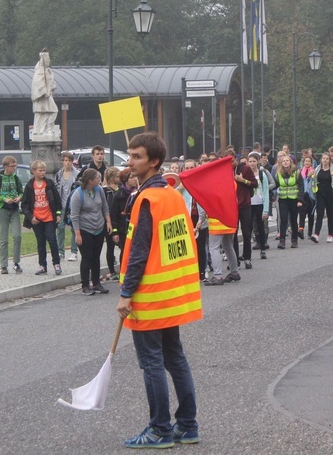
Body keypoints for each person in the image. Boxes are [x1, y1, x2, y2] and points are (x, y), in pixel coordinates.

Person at [116, 132, 201, 448]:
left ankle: (160, 429)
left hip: (149, 297)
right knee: (175, 358)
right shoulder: (173, 196)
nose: (130, 161)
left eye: (136, 156)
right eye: (130, 155)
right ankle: (187, 425)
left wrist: (126, 293)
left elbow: (139, 251)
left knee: (152, 362)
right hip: (172, 294)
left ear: (153, 161)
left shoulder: (147, 199)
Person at [71, 168, 112, 295]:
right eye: (97, 179)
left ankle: (96, 283)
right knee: (87, 257)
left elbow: (105, 207)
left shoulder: (99, 190)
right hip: (84, 229)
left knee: (96, 256)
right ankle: (85, 284)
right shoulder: (78, 194)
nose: (99, 181)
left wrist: (108, 222)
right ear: (90, 181)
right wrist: (77, 234)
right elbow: (74, 215)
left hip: (98, 227)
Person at [21, 160, 62, 276]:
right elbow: (24, 205)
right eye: (40, 170)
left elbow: (57, 200)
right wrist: (30, 217)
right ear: (34, 171)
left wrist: (58, 214)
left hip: (49, 217)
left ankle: (56, 263)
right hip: (36, 218)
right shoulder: (29, 186)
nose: (43, 172)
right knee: (40, 242)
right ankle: (42, 265)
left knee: (52, 239)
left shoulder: (49, 183)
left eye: (44, 170)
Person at [0, 155, 23, 275]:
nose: (14, 168)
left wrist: (19, 197)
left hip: (14, 209)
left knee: (17, 236)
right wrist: (2, 199)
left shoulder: (16, 178)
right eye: (12, 166)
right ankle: (3, 265)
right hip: (2, 209)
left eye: (15, 166)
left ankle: (16, 262)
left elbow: (21, 192)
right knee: (4, 238)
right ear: (6, 167)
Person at [230, 149, 257, 269]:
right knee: (233, 234)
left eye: (231, 160)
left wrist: (243, 180)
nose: (230, 163)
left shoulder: (245, 169)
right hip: (232, 206)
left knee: (246, 232)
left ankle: (247, 257)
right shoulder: (225, 171)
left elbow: (255, 183)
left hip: (245, 205)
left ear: (235, 158)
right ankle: (235, 260)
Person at [309, 153, 333, 243]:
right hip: (320, 195)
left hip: (330, 194)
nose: (325, 160)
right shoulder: (318, 169)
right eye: (324, 158)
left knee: (330, 214)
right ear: (321, 160)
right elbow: (313, 181)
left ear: (329, 160)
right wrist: (311, 176)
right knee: (319, 214)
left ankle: (330, 234)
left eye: (327, 159)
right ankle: (316, 234)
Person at [274, 155, 304, 249]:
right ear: (281, 163)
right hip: (283, 199)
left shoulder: (297, 172)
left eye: (287, 161)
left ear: (290, 162)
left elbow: (301, 186)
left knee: (293, 220)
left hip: (294, 199)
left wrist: (300, 200)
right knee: (283, 219)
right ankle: (282, 241)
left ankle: (294, 240)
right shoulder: (278, 173)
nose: (285, 162)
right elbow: (275, 185)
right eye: (284, 161)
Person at [55, 151, 80, 261]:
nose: (68, 163)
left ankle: (74, 251)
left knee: (74, 228)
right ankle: (60, 251)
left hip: (72, 206)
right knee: (60, 228)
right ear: (62, 162)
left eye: (69, 161)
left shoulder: (77, 174)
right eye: (65, 161)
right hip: (62, 205)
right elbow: (56, 190)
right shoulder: (59, 175)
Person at [247, 152, 273, 260]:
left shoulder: (262, 174)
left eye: (254, 161)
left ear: (257, 162)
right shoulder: (246, 174)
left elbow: (265, 192)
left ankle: (263, 249)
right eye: (250, 161)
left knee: (261, 226)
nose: (252, 163)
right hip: (249, 204)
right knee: (248, 228)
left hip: (259, 204)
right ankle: (247, 253)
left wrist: (266, 210)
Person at [109, 167, 137, 257]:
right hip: (123, 230)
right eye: (132, 177)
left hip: (136, 229)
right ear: (125, 179)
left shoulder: (138, 192)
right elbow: (114, 215)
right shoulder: (119, 195)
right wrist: (115, 232)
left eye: (135, 177)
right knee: (125, 253)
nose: (135, 179)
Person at [102, 167, 121, 281]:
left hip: (119, 220)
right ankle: (112, 270)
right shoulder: (105, 191)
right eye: (117, 177)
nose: (120, 179)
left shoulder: (120, 189)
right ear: (111, 178)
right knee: (110, 246)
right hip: (108, 220)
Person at [298, 156, 316, 240]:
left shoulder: (314, 171)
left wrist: (310, 176)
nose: (307, 162)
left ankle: (310, 232)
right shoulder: (300, 171)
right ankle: (301, 230)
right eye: (306, 161)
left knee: (310, 214)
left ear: (311, 163)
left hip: (311, 196)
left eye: (309, 161)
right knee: (302, 213)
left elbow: (315, 183)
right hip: (303, 194)